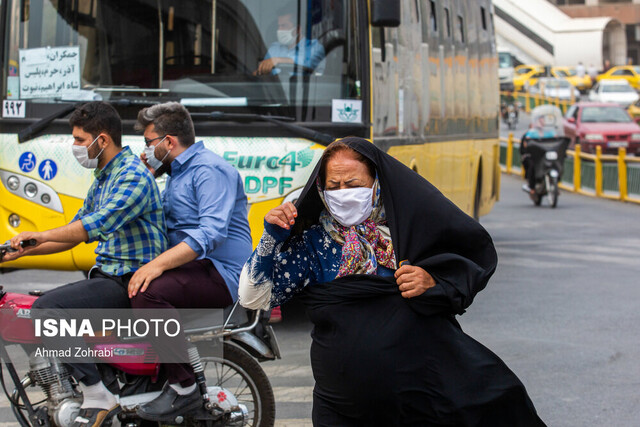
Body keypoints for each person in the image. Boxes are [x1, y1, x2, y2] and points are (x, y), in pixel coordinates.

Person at [239, 137, 545, 426]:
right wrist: (270, 239)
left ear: (377, 184)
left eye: (353, 184)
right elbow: (253, 297)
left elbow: (467, 263)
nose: (343, 192)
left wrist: (431, 281)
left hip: (420, 397)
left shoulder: (410, 234)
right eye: (334, 185)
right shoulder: (314, 245)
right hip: (342, 405)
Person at [1, 101, 168, 427]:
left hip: (130, 282)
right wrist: (18, 251)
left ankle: (95, 393)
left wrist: (40, 234)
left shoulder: (132, 176)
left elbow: (94, 226)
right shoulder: (105, 176)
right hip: (109, 276)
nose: (75, 147)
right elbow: (76, 233)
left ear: (102, 140)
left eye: (79, 139)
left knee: (48, 310)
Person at [127, 102, 253, 421]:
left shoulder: (209, 170)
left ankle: (183, 387)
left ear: (169, 142)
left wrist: (156, 266)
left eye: (149, 142)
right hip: (197, 267)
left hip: (221, 272)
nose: (146, 149)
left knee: (147, 292)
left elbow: (210, 232)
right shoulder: (177, 171)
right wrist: (148, 169)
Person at [254, 8, 325, 76]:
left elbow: (308, 62)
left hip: (305, 88)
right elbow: (261, 73)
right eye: (279, 26)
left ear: (298, 29)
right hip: (275, 88)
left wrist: (279, 60)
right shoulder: (274, 49)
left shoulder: (315, 47)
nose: (279, 30)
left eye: (284, 26)